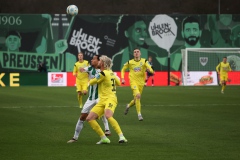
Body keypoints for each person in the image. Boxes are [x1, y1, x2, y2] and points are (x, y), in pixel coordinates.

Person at [67, 55, 111, 143]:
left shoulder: (105, 71)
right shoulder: (90, 69)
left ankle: (107, 129)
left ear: (99, 61)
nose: (92, 60)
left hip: (100, 97)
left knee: (103, 112)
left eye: (94, 59)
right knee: (82, 116)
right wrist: (82, 70)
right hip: (91, 98)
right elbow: (84, 69)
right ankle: (75, 137)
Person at [86, 55, 127, 144]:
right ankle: (104, 138)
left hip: (110, 99)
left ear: (103, 63)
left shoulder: (103, 74)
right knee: (89, 118)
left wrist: (91, 80)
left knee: (108, 115)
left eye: (100, 61)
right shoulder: (111, 72)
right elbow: (119, 83)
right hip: (102, 100)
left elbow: (92, 82)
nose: (98, 62)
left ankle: (121, 136)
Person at [121, 48, 154, 121]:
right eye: (135, 52)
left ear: (140, 53)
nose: (136, 53)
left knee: (136, 99)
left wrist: (150, 70)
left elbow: (151, 68)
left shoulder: (144, 61)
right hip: (133, 82)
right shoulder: (130, 62)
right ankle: (139, 114)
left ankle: (128, 106)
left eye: (137, 52)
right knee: (138, 96)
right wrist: (122, 78)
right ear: (133, 54)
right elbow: (123, 69)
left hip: (141, 83)